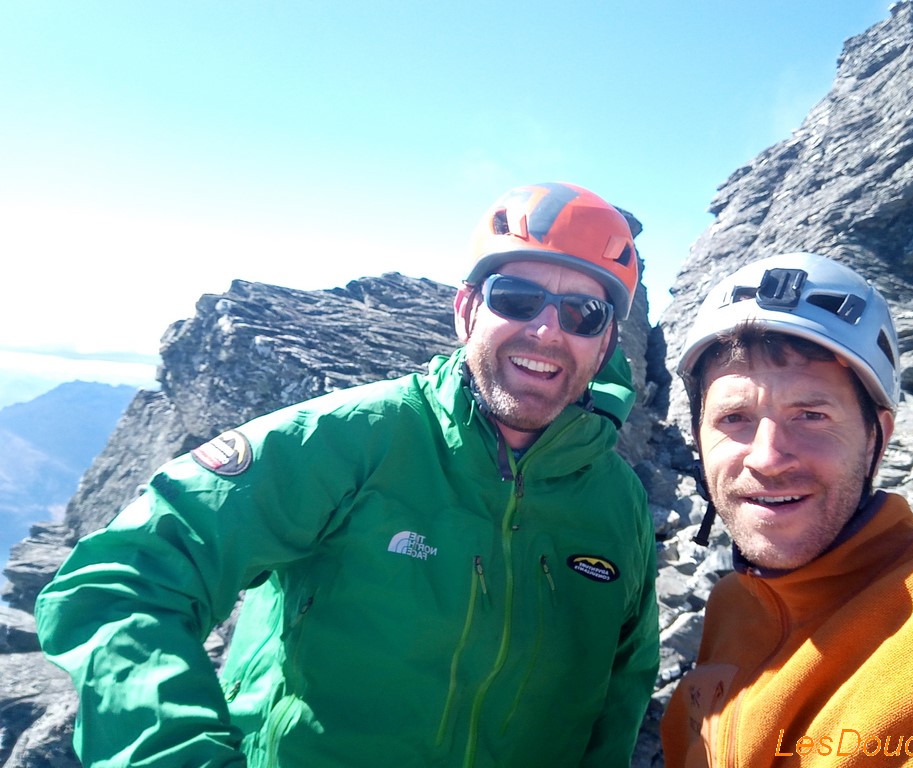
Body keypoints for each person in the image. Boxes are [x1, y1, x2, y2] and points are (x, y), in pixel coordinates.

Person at [35, 181, 660, 768]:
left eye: (583, 313)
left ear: (606, 343)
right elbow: (122, 579)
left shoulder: (617, 501)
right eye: (516, 299)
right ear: (467, 310)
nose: (547, 330)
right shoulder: (354, 439)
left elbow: (622, 687)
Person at [660, 252, 913, 766]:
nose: (767, 458)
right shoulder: (731, 608)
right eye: (734, 418)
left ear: (877, 439)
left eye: (811, 414)